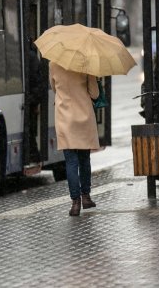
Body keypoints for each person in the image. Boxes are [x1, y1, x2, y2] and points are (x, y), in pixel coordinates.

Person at [50, 61, 99, 216]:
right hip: (83, 115)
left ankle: (75, 203)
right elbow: (95, 94)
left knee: (71, 161)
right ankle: (86, 197)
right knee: (84, 159)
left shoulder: (54, 64)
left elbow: (54, 88)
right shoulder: (85, 63)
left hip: (64, 116)